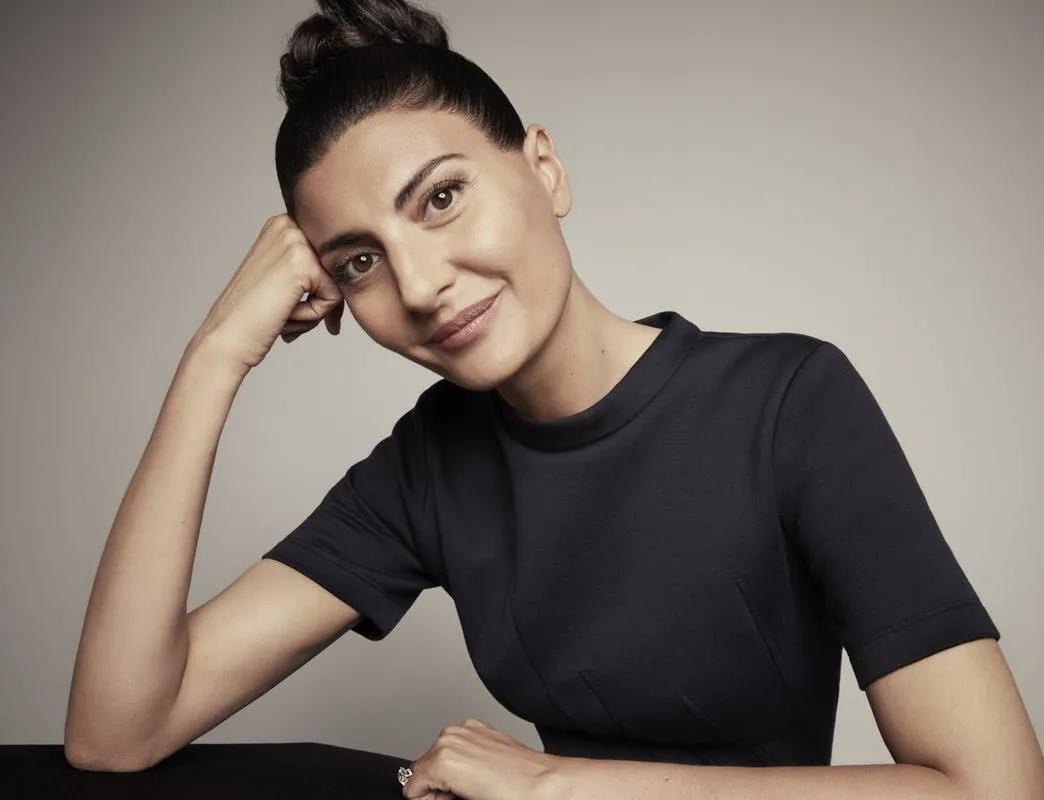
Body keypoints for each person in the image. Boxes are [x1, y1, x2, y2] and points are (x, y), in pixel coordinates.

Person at [66, 1, 1043, 797]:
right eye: (359, 260)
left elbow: (996, 785)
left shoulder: (787, 401)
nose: (420, 284)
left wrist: (560, 784)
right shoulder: (427, 467)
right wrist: (216, 355)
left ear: (544, 167)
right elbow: (116, 733)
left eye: (440, 198)